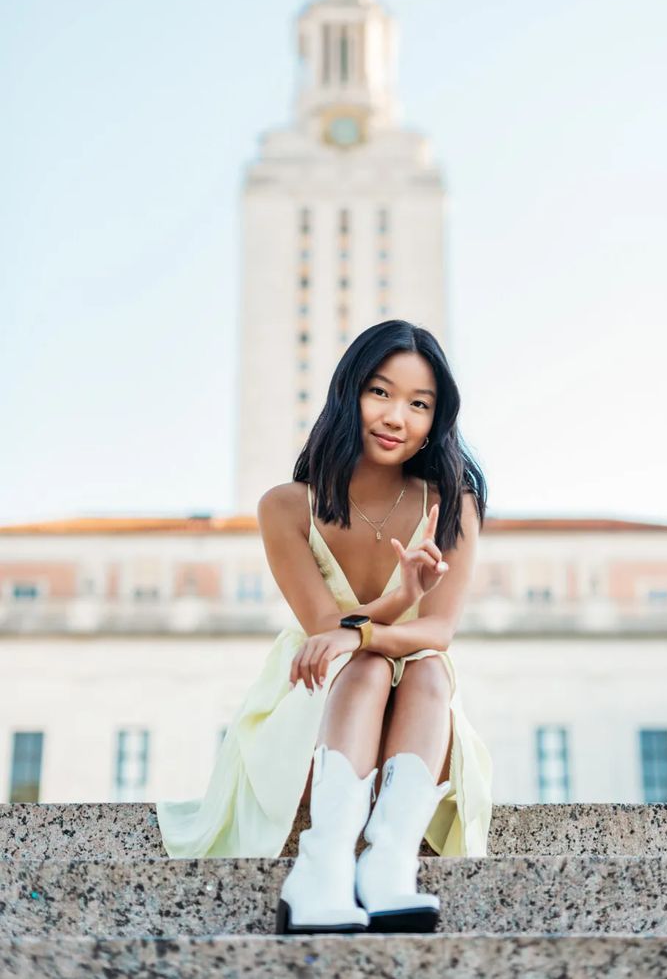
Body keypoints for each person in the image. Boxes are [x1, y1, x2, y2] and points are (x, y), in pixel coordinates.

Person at [156, 319, 493, 935]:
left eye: (420, 404)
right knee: (366, 663)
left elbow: (439, 632)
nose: (397, 416)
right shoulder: (286, 506)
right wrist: (398, 600)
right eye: (381, 392)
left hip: (417, 708)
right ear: (348, 394)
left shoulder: (453, 502)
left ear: (435, 421)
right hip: (313, 694)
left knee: (426, 669)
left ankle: (389, 865)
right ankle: (325, 864)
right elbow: (324, 633)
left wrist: (389, 616)